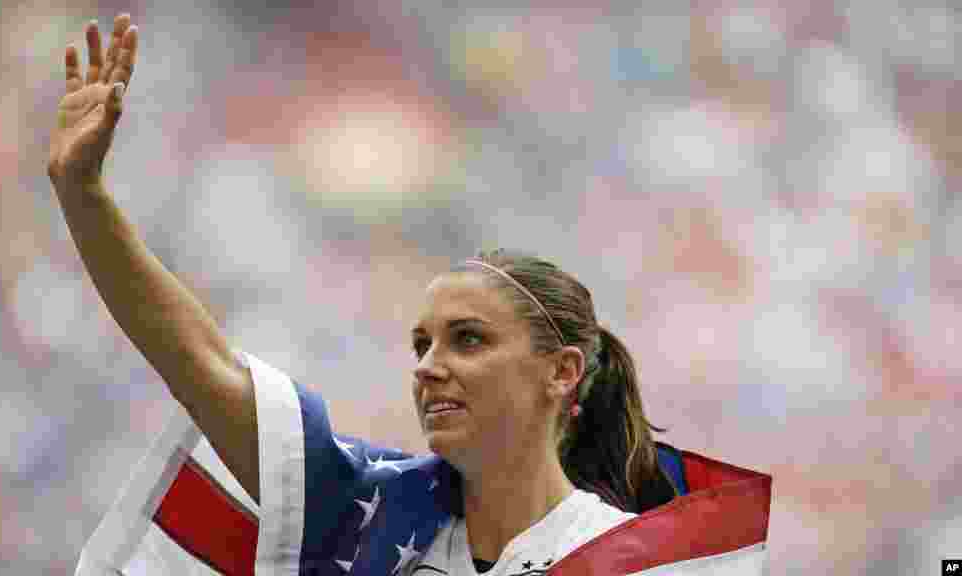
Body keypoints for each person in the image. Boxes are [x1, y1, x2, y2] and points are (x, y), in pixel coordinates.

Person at [54, 15, 768, 576]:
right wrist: (83, 197)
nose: (428, 365)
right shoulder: (371, 516)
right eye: (421, 344)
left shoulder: (634, 562)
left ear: (562, 371)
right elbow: (200, 364)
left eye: (469, 339)